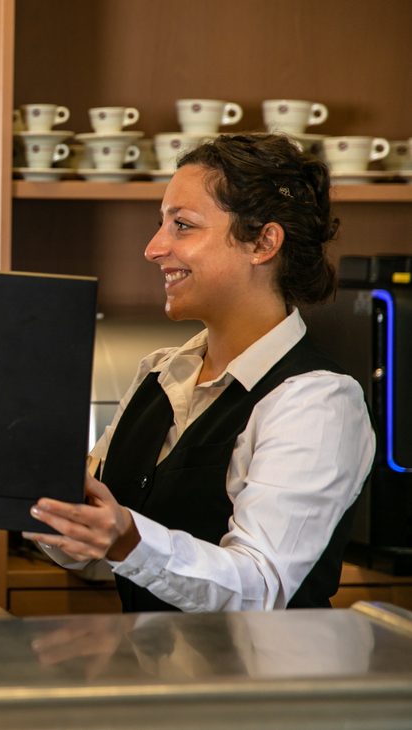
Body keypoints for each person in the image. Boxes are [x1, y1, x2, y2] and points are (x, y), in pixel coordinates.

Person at [23, 133, 375, 613]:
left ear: (263, 242)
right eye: (161, 225)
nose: (153, 248)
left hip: (265, 663)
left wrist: (128, 540)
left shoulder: (317, 401)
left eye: (182, 226)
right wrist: (41, 500)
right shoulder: (158, 373)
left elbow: (260, 586)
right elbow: (93, 549)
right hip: (153, 661)